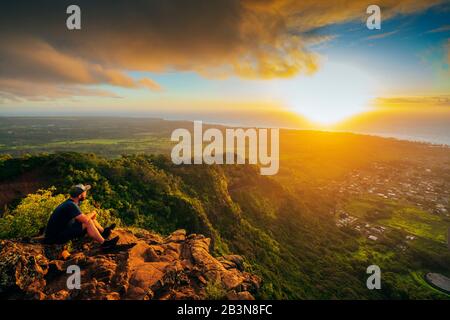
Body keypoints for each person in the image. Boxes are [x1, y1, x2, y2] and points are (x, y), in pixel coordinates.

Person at [44, 184, 119, 248]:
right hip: (55, 238)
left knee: (89, 219)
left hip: (60, 232)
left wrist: (91, 216)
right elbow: (85, 220)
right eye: (85, 192)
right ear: (80, 195)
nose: (86, 194)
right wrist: (93, 212)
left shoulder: (71, 203)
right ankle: (104, 244)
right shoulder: (71, 205)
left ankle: (103, 232)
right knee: (88, 221)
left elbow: (81, 218)